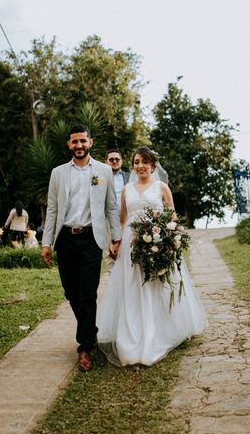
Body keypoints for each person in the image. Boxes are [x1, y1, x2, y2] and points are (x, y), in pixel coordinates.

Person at [97, 147, 207, 368]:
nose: (140, 166)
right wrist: (116, 241)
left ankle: (164, 330)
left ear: (153, 166)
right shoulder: (127, 189)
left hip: (159, 242)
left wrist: (169, 239)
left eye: (144, 162)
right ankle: (132, 334)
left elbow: (172, 216)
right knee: (132, 287)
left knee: (159, 284)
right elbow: (122, 220)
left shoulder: (161, 187)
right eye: (137, 162)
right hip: (131, 243)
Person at [40, 125, 122, 373]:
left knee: (87, 293)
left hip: (91, 239)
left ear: (90, 143)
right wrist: (46, 243)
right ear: (69, 145)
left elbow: (110, 208)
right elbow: (52, 209)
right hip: (65, 239)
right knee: (71, 292)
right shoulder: (58, 173)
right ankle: (91, 332)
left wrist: (116, 237)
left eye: (83, 141)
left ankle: (84, 347)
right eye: (74, 142)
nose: (79, 145)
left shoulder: (104, 170)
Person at [104, 149, 129, 274]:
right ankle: (113, 286)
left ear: (121, 161)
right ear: (106, 161)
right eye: (111, 159)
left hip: (126, 219)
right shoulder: (100, 178)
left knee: (128, 250)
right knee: (110, 254)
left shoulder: (129, 177)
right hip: (107, 220)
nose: (114, 161)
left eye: (117, 159)